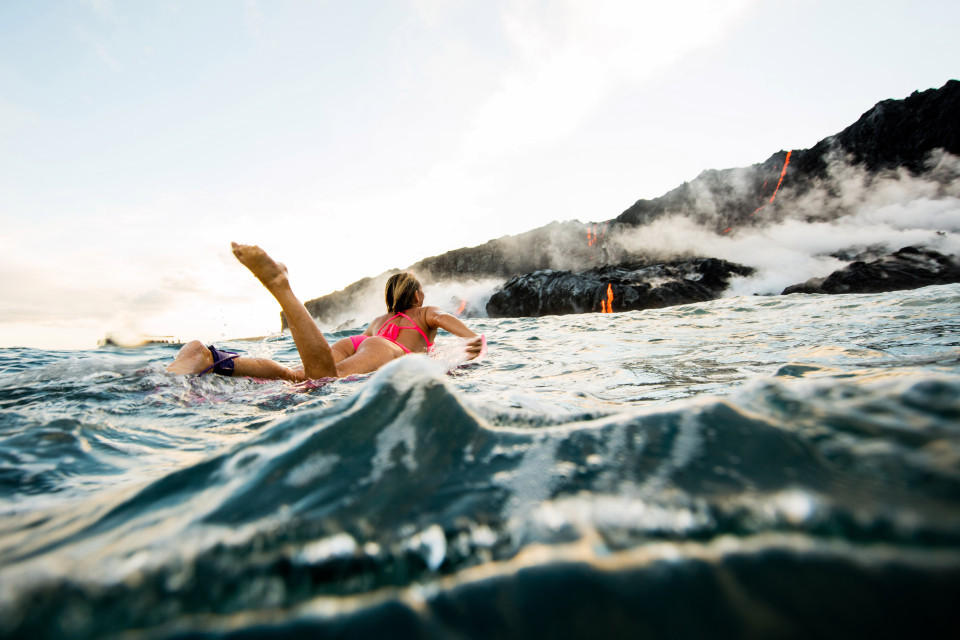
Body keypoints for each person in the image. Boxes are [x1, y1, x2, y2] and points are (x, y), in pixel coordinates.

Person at [167, 242, 484, 380]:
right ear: (416, 295)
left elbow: (368, 345)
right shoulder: (425, 312)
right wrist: (473, 343)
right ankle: (282, 289)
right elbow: (449, 323)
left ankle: (211, 359)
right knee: (327, 378)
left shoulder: (379, 320)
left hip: (361, 342)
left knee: (298, 375)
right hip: (384, 350)